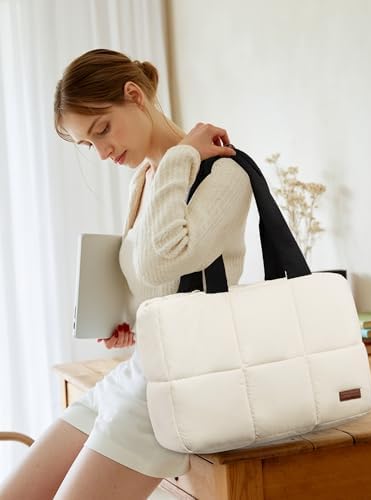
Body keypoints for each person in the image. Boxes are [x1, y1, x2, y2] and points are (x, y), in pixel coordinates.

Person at [0, 48, 252, 499]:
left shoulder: (223, 173)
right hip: (140, 371)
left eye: (101, 130)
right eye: (87, 144)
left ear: (135, 95)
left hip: (180, 380)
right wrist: (132, 322)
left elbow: (161, 260)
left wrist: (179, 157)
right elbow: (158, 283)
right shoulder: (145, 179)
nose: (101, 153)